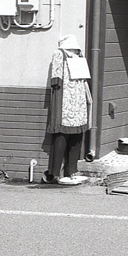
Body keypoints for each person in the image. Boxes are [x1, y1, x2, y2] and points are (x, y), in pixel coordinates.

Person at [44, 35, 91, 185]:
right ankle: (56, 173)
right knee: (62, 135)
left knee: (77, 134)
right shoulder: (60, 54)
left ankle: (72, 170)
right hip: (66, 99)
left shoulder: (78, 55)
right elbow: (56, 80)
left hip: (78, 100)